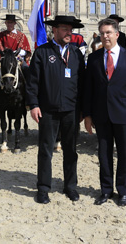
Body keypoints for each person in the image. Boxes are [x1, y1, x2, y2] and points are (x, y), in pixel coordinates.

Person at [83, 18, 126, 207]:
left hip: (124, 115)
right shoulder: (93, 58)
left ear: (117, 34)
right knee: (104, 155)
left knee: (124, 155)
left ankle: (123, 192)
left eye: (108, 32)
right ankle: (106, 190)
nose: (105, 36)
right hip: (101, 115)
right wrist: (87, 115)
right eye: (102, 33)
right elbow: (88, 90)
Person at [26, 15, 85, 204]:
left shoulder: (76, 54)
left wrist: (82, 109)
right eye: (65, 29)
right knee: (45, 150)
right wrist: (34, 105)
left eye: (71, 30)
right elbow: (33, 82)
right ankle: (43, 188)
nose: (70, 33)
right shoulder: (42, 52)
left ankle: (70, 186)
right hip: (48, 110)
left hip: (71, 110)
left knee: (70, 150)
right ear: (55, 30)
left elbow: (82, 84)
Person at [0, 14, 31, 110]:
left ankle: (28, 97)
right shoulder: (1, 35)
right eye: (8, 22)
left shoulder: (21, 36)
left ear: (14, 23)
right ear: (5, 23)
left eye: (11, 22)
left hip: (17, 59)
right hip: (3, 59)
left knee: (27, 71)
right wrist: (4, 56)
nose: (9, 24)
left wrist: (15, 53)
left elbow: (25, 49)